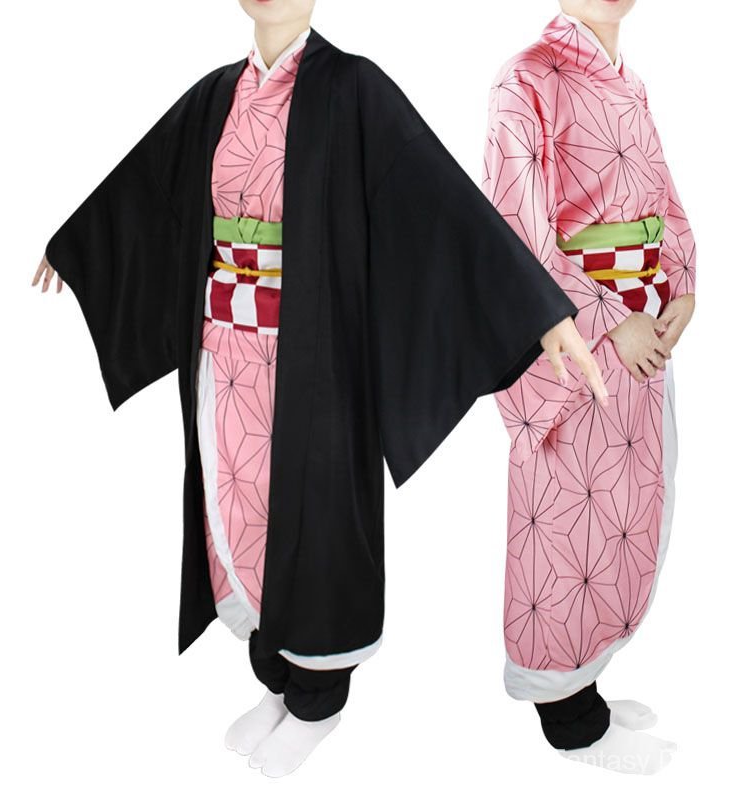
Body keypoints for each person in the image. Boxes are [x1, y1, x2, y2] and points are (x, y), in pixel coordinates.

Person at [33, 0, 607, 778]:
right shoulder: (214, 96)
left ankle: (318, 702)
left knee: (316, 522)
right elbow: (145, 189)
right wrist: (78, 246)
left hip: (316, 362)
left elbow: (440, 202)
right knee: (238, 512)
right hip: (223, 357)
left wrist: (538, 309)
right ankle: (275, 679)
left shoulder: (354, 89)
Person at [482, 0, 696, 774]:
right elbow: (512, 232)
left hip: (643, 329)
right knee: (567, 522)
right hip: (577, 345)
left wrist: (683, 285)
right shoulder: (524, 80)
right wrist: (607, 320)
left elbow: (664, 204)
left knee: (625, 511)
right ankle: (567, 718)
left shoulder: (628, 83)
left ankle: (588, 675)